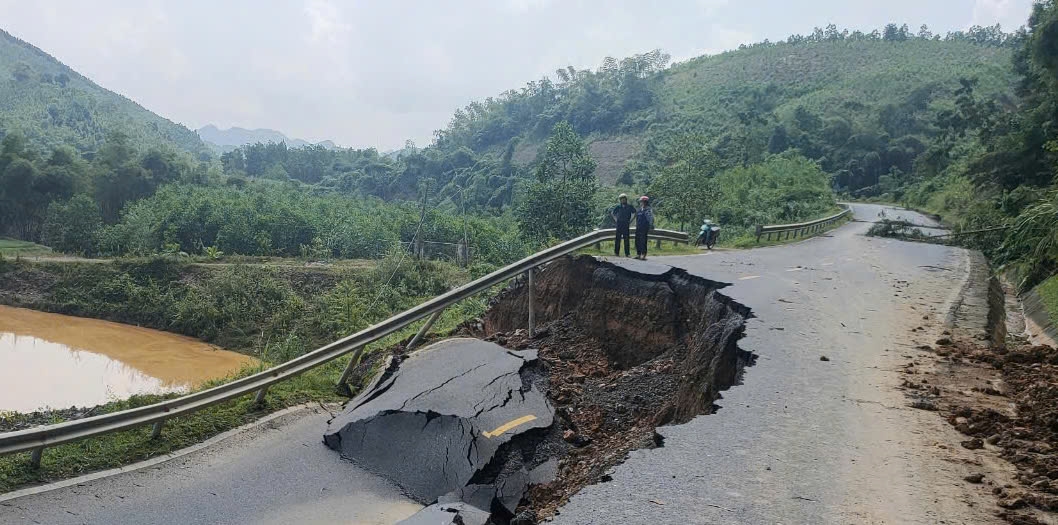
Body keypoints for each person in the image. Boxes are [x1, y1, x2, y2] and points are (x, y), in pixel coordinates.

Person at [634, 195, 654, 260]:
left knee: (643, 241)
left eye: (642, 201)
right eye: (641, 202)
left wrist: (651, 225)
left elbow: (650, 218)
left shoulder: (648, 210)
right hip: (638, 227)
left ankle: (643, 254)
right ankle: (638, 254)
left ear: (646, 202)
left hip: (644, 227)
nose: (641, 203)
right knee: (637, 241)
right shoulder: (639, 210)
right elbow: (637, 218)